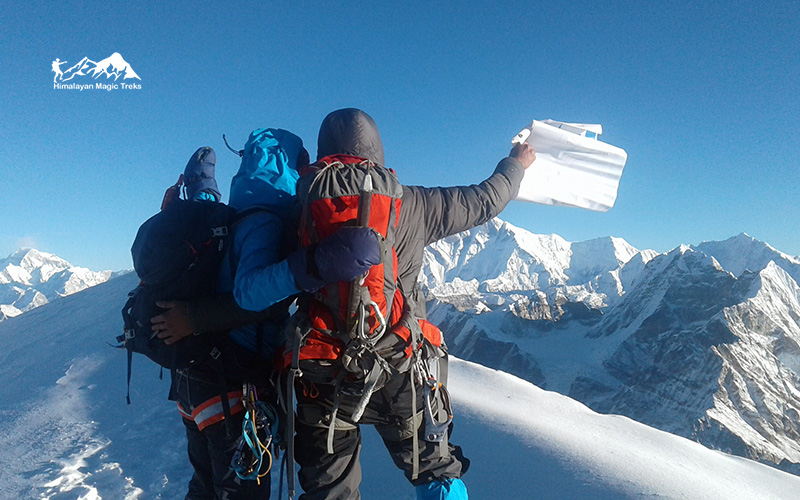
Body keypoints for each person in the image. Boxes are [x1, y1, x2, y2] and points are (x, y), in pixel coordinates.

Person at [291, 109, 535, 500]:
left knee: (329, 489)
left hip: (321, 370)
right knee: (435, 470)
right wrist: (515, 164)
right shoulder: (414, 203)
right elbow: (487, 200)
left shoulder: (298, 207)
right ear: (377, 150)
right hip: (399, 365)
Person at [150, 133, 380, 500]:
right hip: (231, 386)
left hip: (196, 379)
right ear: (287, 171)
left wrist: (198, 194)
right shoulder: (264, 223)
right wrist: (315, 265)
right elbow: (251, 292)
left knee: (205, 486)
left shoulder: (229, 217)